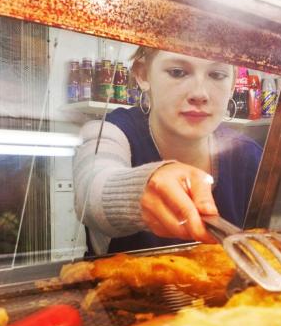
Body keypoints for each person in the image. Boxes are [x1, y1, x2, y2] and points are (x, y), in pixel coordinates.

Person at [73, 46, 263, 255]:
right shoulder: (110, 132)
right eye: (177, 72)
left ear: (233, 83)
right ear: (142, 74)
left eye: (217, 75)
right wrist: (141, 189)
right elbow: (91, 190)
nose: (199, 94)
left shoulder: (248, 155)